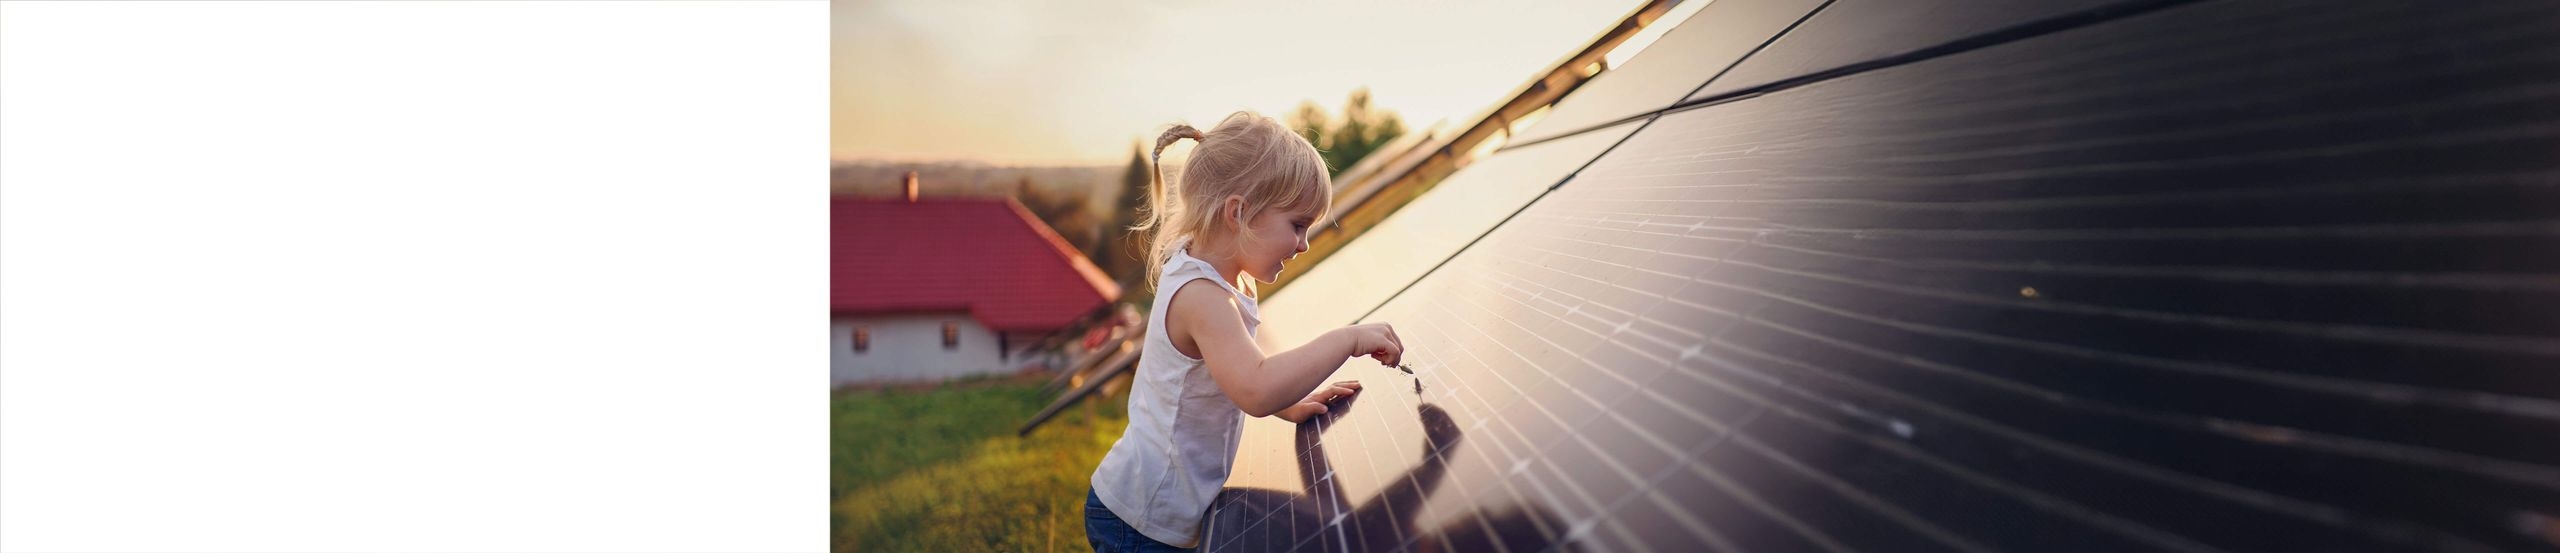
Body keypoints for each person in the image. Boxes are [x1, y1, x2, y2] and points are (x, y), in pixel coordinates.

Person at [1085, 110, 1405, 552]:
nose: (1304, 243)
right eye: (1297, 225)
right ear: (1239, 213)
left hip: (1155, 509)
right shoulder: (1202, 297)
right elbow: (1254, 389)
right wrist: (1346, 339)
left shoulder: (1226, 278)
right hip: (1142, 519)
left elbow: (1235, 371)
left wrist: (1290, 403)